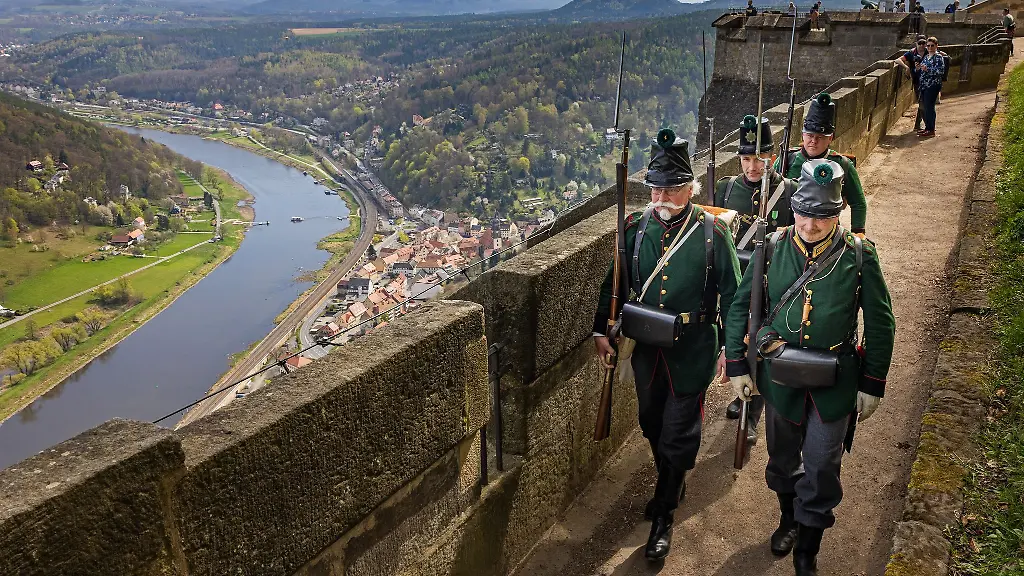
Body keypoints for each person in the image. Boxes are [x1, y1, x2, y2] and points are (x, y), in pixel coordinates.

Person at [724, 159, 895, 576]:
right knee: (782, 460)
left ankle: (808, 547)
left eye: (821, 216)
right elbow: (740, 306)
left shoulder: (858, 255)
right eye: (803, 211)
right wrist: (737, 365)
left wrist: (872, 382)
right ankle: (788, 519)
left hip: (833, 383)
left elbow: (880, 321)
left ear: (837, 214)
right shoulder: (772, 247)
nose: (810, 224)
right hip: (780, 378)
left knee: (821, 466)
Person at [593, 128, 741, 561]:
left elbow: (732, 298)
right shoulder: (635, 228)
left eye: (672, 187)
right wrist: (602, 329)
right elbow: (614, 285)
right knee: (649, 422)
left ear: (690, 188)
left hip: (693, 348)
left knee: (678, 432)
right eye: (656, 186)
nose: (662, 195)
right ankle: (672, 479)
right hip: (646, 352)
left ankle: (665, 512)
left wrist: (731, 352)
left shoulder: (713, 233)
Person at [715, 115, 797, 440]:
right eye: (746, 159)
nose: (752, 166)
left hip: (769, 285)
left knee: (759, 348)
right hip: (734, 284)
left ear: (773, 157)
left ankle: (751, 412)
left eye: (760, 159)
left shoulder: (789, 193)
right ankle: (740, 392)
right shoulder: (725, 189)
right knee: (734, 343)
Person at [774, 92, 868, 236]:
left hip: (825, 231)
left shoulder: (842, 164)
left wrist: (858, 232)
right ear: (803, 134)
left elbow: (858, 203)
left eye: (820, 137)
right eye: (810, 135)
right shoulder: (788, 159)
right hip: (788, 229)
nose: (814, 141)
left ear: (830, 138)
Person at [895, 35, 928, 131]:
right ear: (916, 44)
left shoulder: (928, 51)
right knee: (922, 102)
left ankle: (919, 125)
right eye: (920, 43)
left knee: (925, 102)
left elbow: (938, 54)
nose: (922, 45)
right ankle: (924, 125)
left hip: (928, 81)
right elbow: (898, 60)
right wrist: (907, 67)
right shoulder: (911, 53)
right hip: (917, 81)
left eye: (923, 43)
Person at [917, 36, 946, 137]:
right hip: (924, 85)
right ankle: (927, 128)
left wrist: (927, 69)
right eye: (928, 46)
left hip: (933, 86)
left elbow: (940, 71)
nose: (929, 47)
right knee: (926, 107)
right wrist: (919, 68)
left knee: (930, 107)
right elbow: (923, 70)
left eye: (932, 46)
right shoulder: (926, 57)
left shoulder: (938, 57)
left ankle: (931, 129)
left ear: (936, 46)